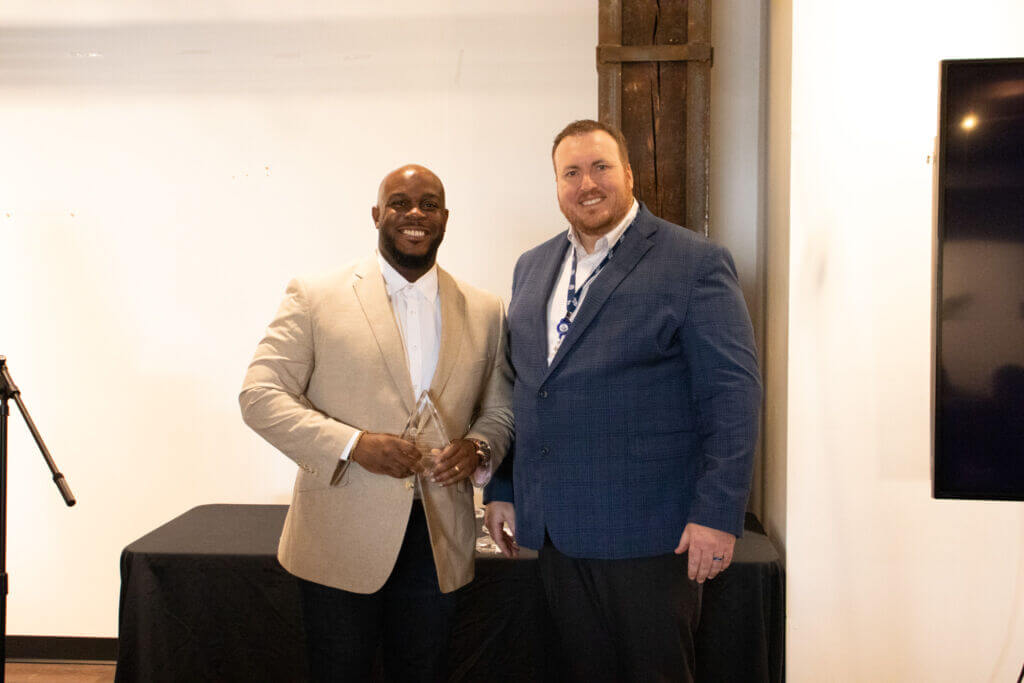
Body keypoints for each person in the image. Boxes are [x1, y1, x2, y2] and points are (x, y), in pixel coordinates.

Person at [484, 120, 762, 682]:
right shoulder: (532, 266)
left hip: (652, 535)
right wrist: (505, 488)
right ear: (557, 185)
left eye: (600, 167)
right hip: (558, 533)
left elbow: (733, 394)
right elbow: (527, 387)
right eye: (571, 172)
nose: (587, 183)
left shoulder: (694, 262)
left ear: (629, 175)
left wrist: (716, 514)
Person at [240, 164, 513, 682]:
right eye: (400, 203)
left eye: (428, 204)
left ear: (445, 218)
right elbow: (259, 395)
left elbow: (500, 409)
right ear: (376, 214)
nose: (415, 214)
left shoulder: (486, 309)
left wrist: (478, 447)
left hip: (439, 539)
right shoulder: (315, 296)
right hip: (339, 536)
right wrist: (353, 444)